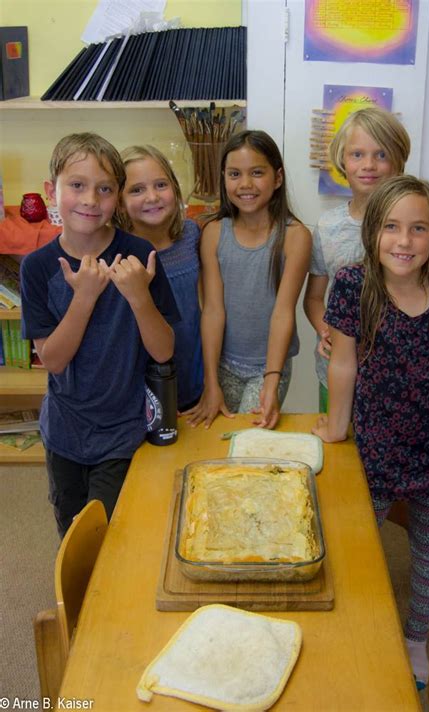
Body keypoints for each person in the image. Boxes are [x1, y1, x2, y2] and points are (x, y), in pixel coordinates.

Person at [312, 175, 429, 689]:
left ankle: (414, 639)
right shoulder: (355, 286)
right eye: (392, 227)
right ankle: (355, 629)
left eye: (418, 229)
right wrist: (337, 426)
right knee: (356, 543)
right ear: (373, 232)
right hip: (375, 450)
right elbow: (342, 365)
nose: (404, 241)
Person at [20, 133, 180, 538]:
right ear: (50, 190)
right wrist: (85, 297)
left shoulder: (139, 254)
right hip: (64, 432)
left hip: (123, 430)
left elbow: (163, 351)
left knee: (111, 535)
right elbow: (53, 360)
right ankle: (70, 605)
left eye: (105, 188)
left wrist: (139, 296)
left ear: (118, 197)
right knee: (73, 533)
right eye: (77, 185)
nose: (91, 200)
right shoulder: (37, 267)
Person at [304, 107, 429, 412]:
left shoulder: (421, 227)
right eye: (357, 154)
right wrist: (327, 331)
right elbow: (315, 298)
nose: (368, 165)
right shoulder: (327, 227)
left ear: (399, 161)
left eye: (381, 154)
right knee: (340, 451)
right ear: (342, 162)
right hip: (336, 375)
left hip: (404, 383)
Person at [186, 129, 312, 430]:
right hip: (222, 364)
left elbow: (283, 312)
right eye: (234, 174)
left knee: (246, 444)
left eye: (257, 173)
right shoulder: (214, 233)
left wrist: (272, 379)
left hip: (267, 367)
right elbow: (213, 310)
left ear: (277, 178)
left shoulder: (295, 237)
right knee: (214, 439)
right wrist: (210, 380)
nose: (245, 184)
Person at [114, 144, 203, 412]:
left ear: (175, 189)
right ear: (119, 201)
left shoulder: (192, 236)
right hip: (140, 391)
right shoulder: (116, 254)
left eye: (161, 184)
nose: (152, 197)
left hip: (194, 377)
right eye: (137, 190)